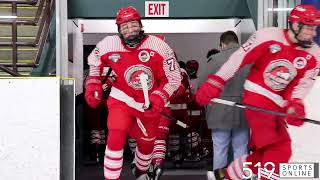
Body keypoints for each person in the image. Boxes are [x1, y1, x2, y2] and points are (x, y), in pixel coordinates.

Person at [195, 4, 320, 180]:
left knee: (262, 155)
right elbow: (239, 58)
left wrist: (294, 105)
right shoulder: (268, 35)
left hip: (276, 106)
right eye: (308, 28)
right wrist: (217, 81)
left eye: (314, 28)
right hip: (257, 97)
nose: (312, 33)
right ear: (295, 24)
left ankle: (224, 175)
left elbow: (302, 84)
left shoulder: (314, 53)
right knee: (280, 149)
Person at [85, 6, 181, 180]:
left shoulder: (159, 46)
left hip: (148, 104)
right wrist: (93, 84)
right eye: (125, 27)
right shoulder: (108, 43)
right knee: (116, 133)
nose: (130, 30)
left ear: (140, 25)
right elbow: (94, 60)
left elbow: (174, 78)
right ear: (119, 29)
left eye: (133, 25)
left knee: (146, 145)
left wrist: (159, 98)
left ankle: (141, 171)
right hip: (121, 98)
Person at [202, 31, 250, 180]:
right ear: (237, 42)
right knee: (241, 150)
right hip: (242, 112)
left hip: (218, 113)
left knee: (220, 150)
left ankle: (219, 178)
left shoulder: (213, 60)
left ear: (222, 44)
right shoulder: (248, 59)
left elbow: (202, 86)